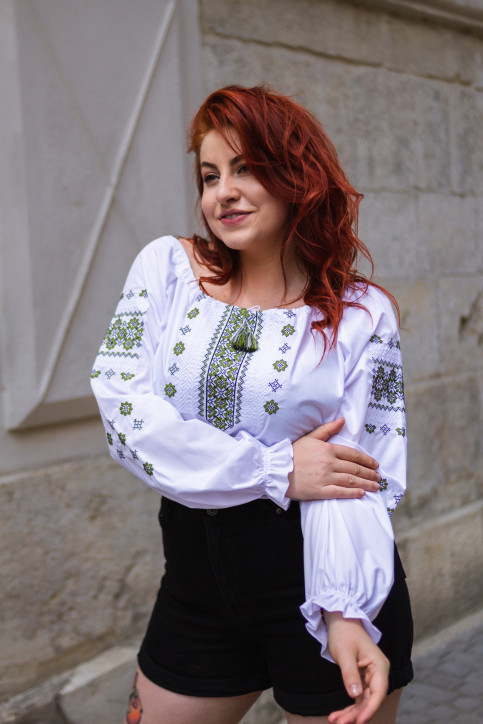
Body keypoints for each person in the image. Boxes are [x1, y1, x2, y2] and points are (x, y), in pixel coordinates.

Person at [91, 85, 413, 724]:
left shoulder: (362, 314)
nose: (223, 193)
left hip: (318, 580)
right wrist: (277, 468)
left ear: (299, 177)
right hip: (194, 586)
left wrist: (344, 612)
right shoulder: (167, 270)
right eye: (210, 175)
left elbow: (360, 474)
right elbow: (124, 411)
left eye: (246, 168)